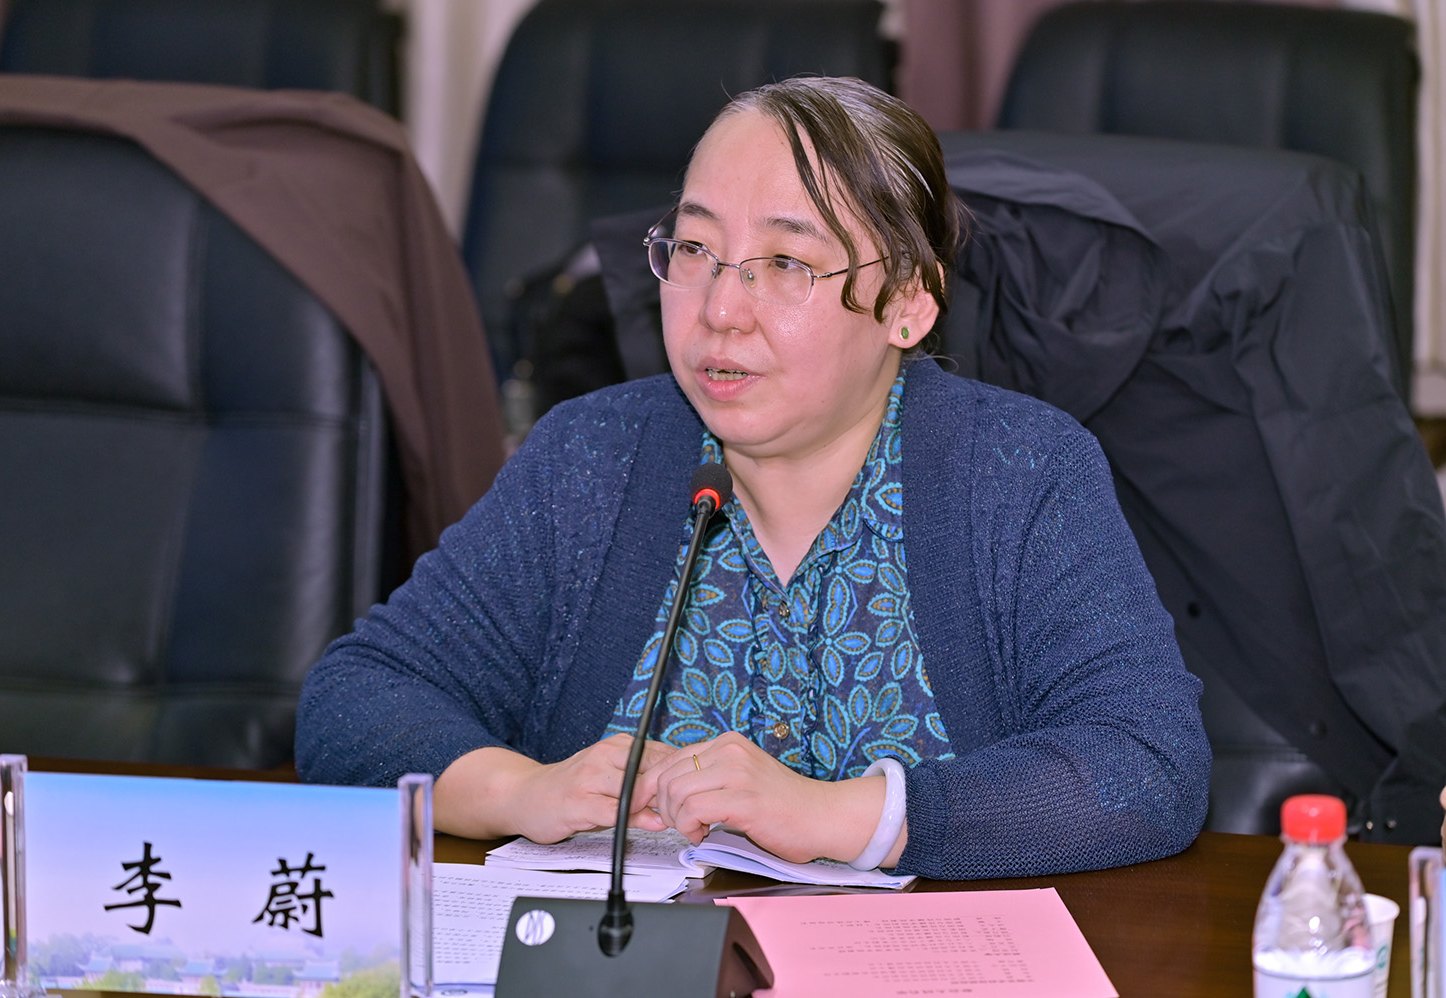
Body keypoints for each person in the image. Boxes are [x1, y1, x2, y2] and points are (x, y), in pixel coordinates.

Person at [295, 76, 1210, 880]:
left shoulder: (1019, 472)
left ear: (907, 302)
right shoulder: (593, 457)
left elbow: (1146, 768)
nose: (720, 309)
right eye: (695, 250)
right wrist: (523, 792)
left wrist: (841, 817)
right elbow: (356, 701)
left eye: (786, 263)